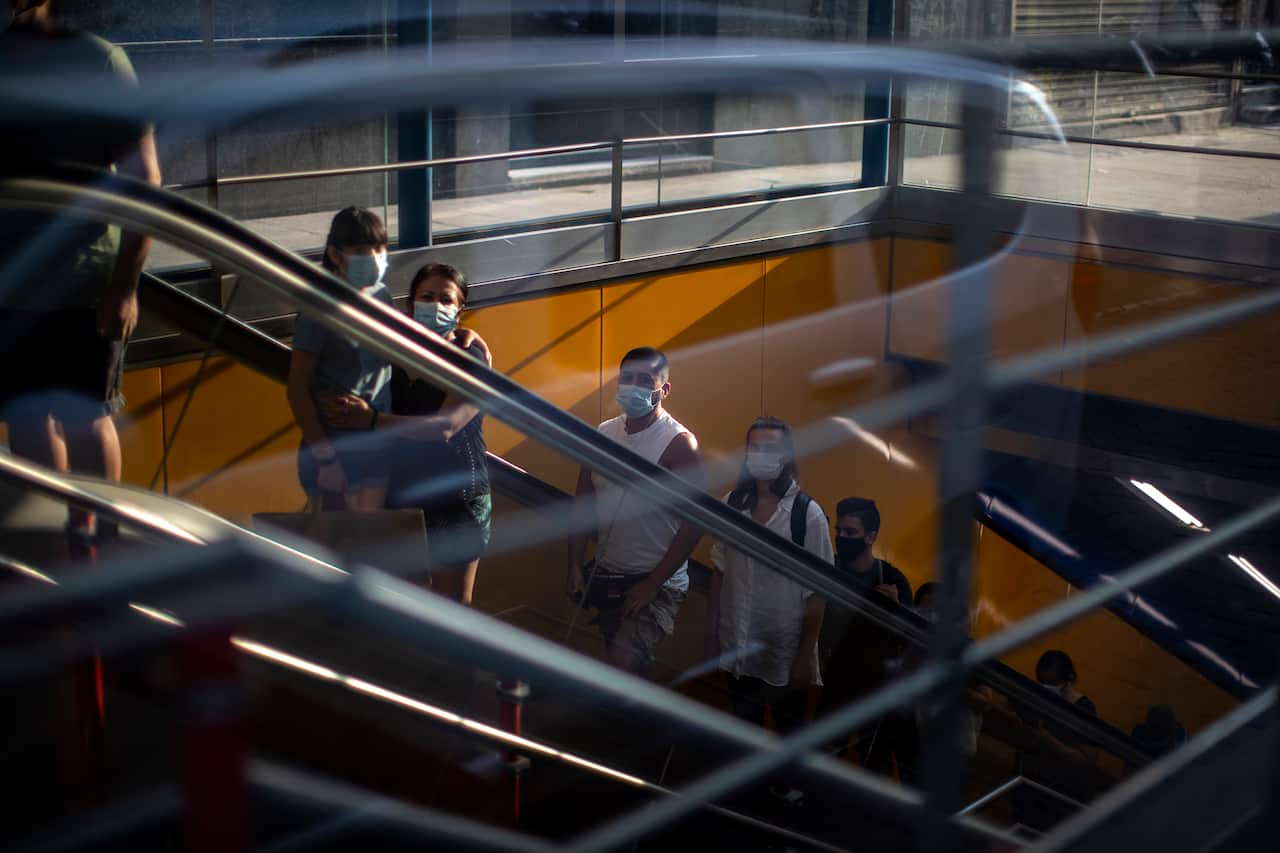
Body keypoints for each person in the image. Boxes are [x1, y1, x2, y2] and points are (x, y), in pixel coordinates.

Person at [0, 0, 161, 538]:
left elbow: (144, 184)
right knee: (27, 422)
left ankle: (100, 543)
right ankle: (65, 545)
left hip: (83, 281)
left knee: (86, 418)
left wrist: (125, 286)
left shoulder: (101, 62)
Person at [319, 263, 493, 605]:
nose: (437, 305)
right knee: (401, 606)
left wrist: (371, 420)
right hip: (401, 497)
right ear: (410, 306)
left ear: (460, 310)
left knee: (450, 612)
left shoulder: (470, 357)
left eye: (446, 299)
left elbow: (447, 426)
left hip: (456, 499)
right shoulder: (390, 354)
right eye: (427, 297)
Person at [567, 346, 704, 677]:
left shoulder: (678, 443)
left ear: (664, 389)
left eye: (645, 380)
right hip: (609, 573)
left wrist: (653, 583)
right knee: (623, 664)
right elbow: (582, 503)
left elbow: (696, 522)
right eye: (627, 378)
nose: (634, 386)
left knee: (622, 664)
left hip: (654, 581)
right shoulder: (604, 433)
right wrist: (573, 564)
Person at [708, 416, 829, 733]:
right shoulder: (732, 506)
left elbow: (818, 592)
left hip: (784, 655)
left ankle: (787, 785)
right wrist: (713, 635)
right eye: (755, 447)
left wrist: (805, 655)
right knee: (744, 733)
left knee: (788, 739)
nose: (761, 454)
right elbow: (719, 571)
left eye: (771, 448)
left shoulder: (807, 515)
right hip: (738, 647)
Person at [287, 207, 395, 512]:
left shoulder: (381, 294)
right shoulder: (320, 305)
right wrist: (326, 460)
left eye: (379, 248)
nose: (374, 257)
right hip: (335, 446)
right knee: (337, 548)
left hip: (375, 440)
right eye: (361, 250)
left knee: (369, 545)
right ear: (335, 255)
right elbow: (297, 387)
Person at [816, 497, 913, 771]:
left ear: (871, 536)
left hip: (875, 686)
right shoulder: (829, 567)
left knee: (872, 761)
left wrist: (896, 609)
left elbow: (909, 640)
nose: (842, 538)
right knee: (824, 753)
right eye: (839, 531)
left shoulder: (892, 580)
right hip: (832, 678)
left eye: (850, 532)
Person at [1012, 649, 1099, 831]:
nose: (1046, 689)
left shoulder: (1084, 709)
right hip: (1030, 788)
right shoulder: (1039, 700)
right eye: (1041, 683)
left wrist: (1048, 740)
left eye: (1051, 684)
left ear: (1070, 680)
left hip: (1061, 798)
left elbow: (1085, 760)